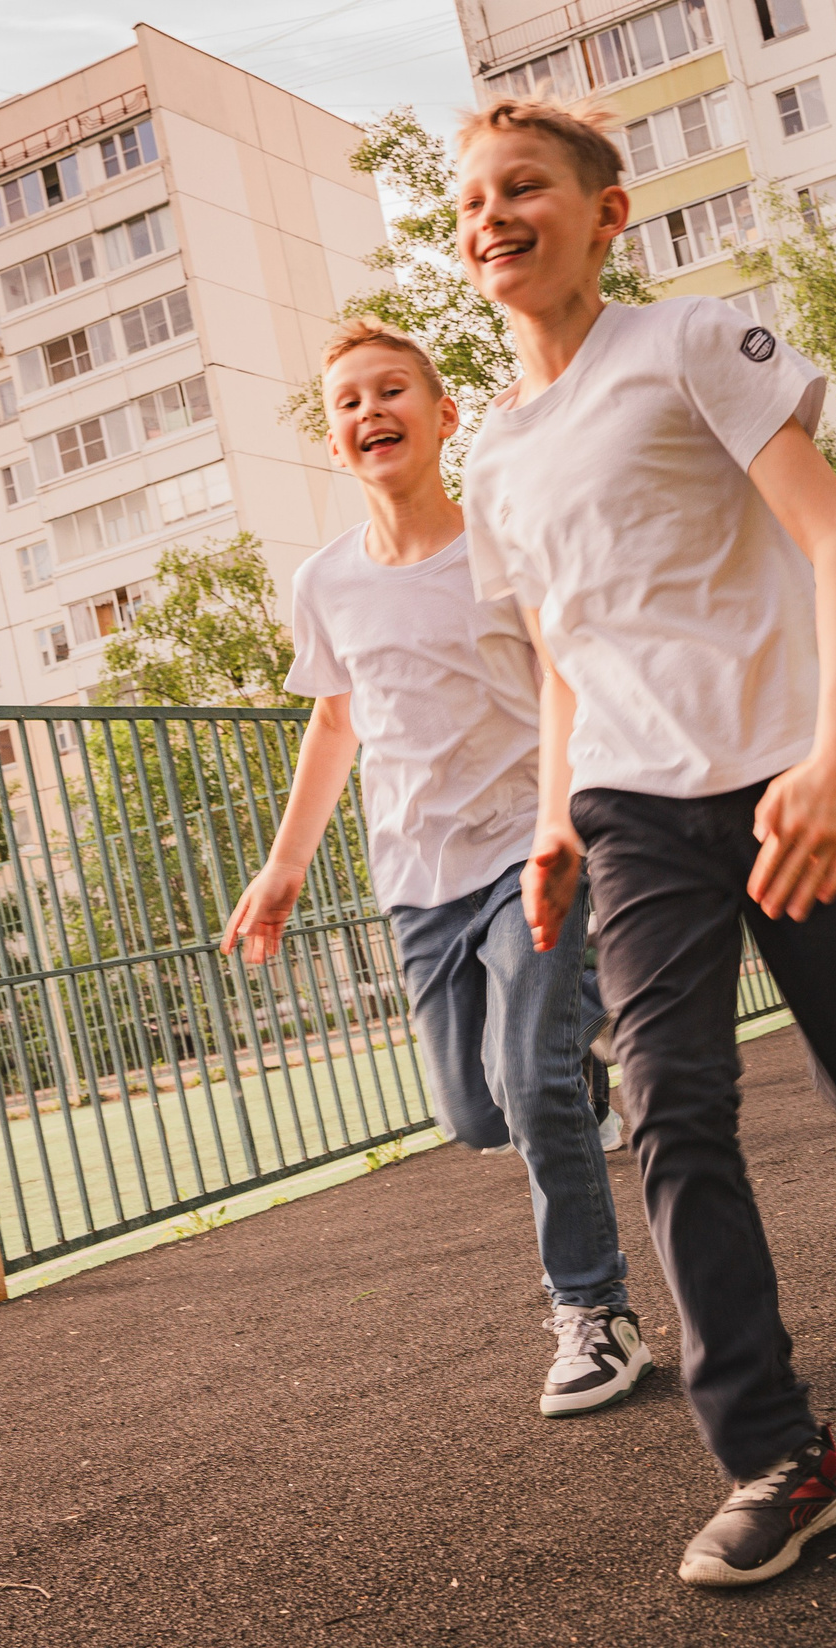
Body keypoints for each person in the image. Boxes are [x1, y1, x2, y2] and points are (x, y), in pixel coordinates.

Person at [453, 97, 836, 1588]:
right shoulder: (491, 454)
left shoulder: (687, 345)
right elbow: (560, 648)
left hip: (782, 779)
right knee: (674, 1104)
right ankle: (779, 1453)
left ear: (604, 213)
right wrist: (556, 814)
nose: (494, 216)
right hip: (630, 811)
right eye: (471, 201)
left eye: (526, 187)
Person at [221, 317, 651, 1421]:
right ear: (333, 441)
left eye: (392, 391)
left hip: (529, 849)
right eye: (349, 402)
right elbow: (332, 724)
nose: (371, 411)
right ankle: (569, 1061)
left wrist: (564, 823)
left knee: (531, 1084)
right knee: (475, 1112)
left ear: (443, 414)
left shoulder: (501, 546)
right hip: (418, 881)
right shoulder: (325, 584)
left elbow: (568, 679)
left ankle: (594, 1314)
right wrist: (282, 870)